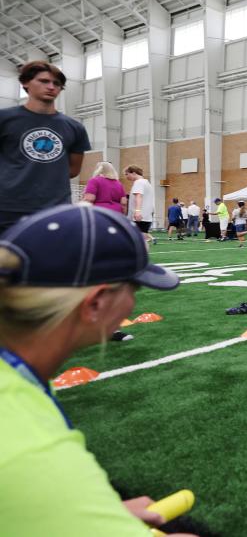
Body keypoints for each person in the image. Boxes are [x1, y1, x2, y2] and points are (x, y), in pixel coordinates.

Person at [0, 204, 193, 536]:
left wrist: (85, 512)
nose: (134, 303)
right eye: (135, 290)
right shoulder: (29, 450)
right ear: (96, 303)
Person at [0, 61, 90, 234]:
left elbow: (72, 170)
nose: (51, 87)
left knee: (52, 260)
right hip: (7, 208)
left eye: (56, 83)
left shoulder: (74, 127)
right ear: (25, 83)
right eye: (44, 81)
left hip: (55, 209)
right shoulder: (4, 119)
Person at [82, 162, 135, 342]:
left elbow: (88, 200)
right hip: (116, 222)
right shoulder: (119, 185)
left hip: (98, 221)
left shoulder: (94, 181)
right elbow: (124, 204)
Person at [123, 165, 155, 246]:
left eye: (127, 174)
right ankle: (142, 258)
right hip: (145, 217)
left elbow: (139, 196)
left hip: (139, 218)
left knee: (136, 242)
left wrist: (137, 211)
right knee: (142, 241)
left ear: (133, 173)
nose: (126, 177)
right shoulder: (146, 182)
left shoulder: (139, 182)